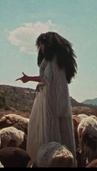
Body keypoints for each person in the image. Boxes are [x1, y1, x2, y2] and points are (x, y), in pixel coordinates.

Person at [16, 31, 77, 167]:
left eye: (42, 44)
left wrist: (28, 78)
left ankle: (48, 160)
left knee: (47, 128)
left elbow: (47, 78)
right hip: (61, 99)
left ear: (48, 44)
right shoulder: (61, 61)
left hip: (49, 99)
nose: (41, 47)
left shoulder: (51, 59)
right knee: (62, 129)